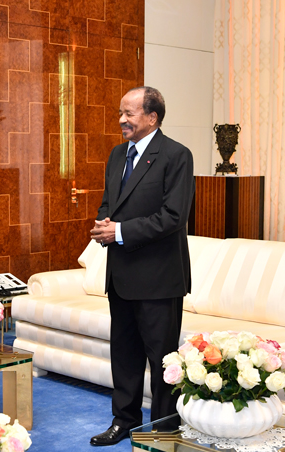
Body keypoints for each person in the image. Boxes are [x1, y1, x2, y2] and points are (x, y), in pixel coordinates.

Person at [89, 86, 195, 446]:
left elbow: (174, 217)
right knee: (124, 354)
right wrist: (105, 224)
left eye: (129, 114)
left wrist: (119, 231)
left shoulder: (177, 156)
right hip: (120, 275)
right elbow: (109, 203)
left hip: (159, 277)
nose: (121, 120)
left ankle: (164, 429)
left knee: (162, 360)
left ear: (152, 117)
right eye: (120, 113)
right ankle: (124, 421)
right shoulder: (117, 155)